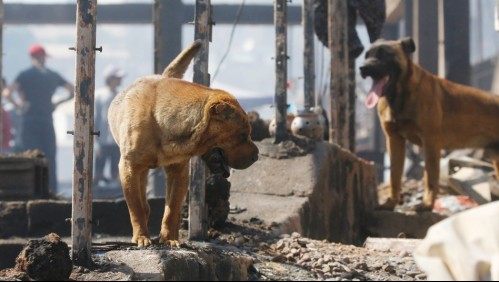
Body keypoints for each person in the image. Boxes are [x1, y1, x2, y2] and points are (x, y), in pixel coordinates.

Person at [2, 44, 74, 193]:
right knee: (49, 158)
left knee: (30, 156)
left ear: (31, 58)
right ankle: (51, 190)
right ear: (43, 58)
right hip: (47, 120)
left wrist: (18, 106)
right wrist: (57, 103)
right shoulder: (52, 75)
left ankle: (30, 191)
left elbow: (7, 93)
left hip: (29, 120)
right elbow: (72, 90)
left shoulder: (25, 75)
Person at [94, 65, 125, 187]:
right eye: (117, 78)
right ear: (111, 79)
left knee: (115, 168)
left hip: (116, 139)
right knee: (99, 167)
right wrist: (95, 136)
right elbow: (96, 115)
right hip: (102, 138)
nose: (120, 80)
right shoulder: (99, 95)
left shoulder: (120, 95)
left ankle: (115, 190)